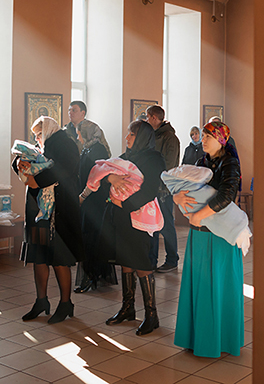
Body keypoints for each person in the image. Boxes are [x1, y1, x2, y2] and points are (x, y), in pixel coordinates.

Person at [173, 120, 244, 357]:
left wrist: (200, 215)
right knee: (199, 284)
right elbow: (184, 185)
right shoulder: (200, 162)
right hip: (200, 232)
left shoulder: (230, 162)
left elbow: (227, 195)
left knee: (217, 286)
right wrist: (177, 197)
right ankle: (196, 339)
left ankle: (219, 341)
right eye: (203, 136)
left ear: (220, 140)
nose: (202, 140)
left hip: (220, 234)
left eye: (208, 136)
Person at [13, 116, 83, 324]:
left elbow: (64, 171)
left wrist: (37, 180)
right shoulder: (43, 145)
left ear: (48, 130)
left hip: (59, 210)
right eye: (35, 135)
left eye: (39, 134)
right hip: (38, 210)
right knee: (39, 256)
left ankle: (65, 303)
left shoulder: (66, 144)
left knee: (59, 258)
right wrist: (19, 164)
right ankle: (41, 301)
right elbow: (26, 158)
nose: (37, 138)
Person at [102, 120, 165, 336]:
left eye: (131, 134)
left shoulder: (154, 159)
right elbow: (105, 172)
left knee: (141, 262)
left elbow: (150, 190)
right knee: (125, 261)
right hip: (121, 217)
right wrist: (110, 177)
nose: (126, 138)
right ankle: (127, 308)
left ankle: (151, 315)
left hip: (139, 216)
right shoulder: (126, 156)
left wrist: (125, 205)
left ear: (142, 137)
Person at [74, 120, 115, 293]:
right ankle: (95, 274)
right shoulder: (88, 148)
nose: (78, 137)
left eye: (79, 134)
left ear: (86, 133)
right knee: (89, 237)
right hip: (89, 200)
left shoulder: (97, 150)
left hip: (94, 200)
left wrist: (83, 196)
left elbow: (96, 178)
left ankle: (91, 276)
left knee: (91, 238)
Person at [145, 105, 180, 273]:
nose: (146, 120)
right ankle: (151, 260)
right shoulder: (154, 135)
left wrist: (158, 182)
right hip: (152, 187)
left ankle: (172, 260)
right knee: (152, 225)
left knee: (166, 225)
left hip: (164, 189)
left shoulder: (170, 138)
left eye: (147, 117)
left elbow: (169, 165)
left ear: (153, 117)